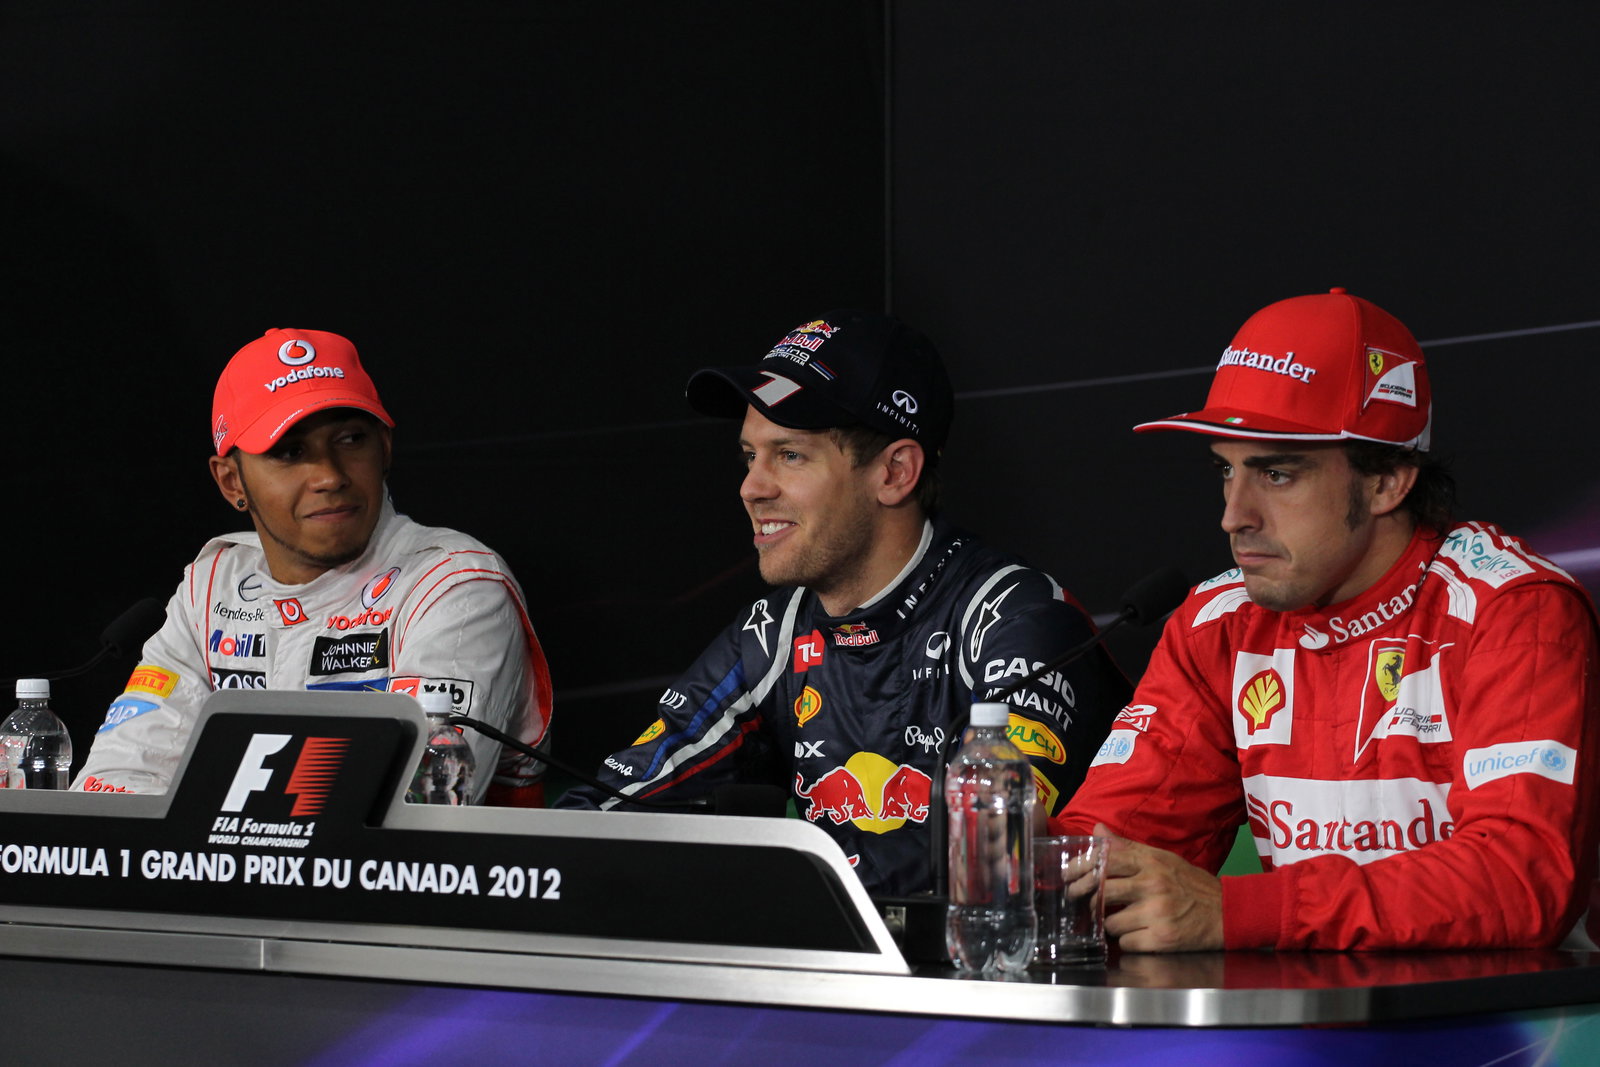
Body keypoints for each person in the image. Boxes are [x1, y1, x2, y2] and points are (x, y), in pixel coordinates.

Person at [1054, 289, 1600, 951]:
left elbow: (1520, 877)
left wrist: (1243, 911)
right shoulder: (1217, 625)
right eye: (1225, 472)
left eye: (1276, 473)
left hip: (1509, 1040)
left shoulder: (1512, 612)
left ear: (1387, 481)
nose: (1234, 515)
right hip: (1312, 1036)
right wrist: (1026, 857)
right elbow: (1113, 845)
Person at [557, 310, 1130, 897]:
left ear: (895, 472)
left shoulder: (1015, 618)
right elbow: (627, 795)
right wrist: (532, 856)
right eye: (749, 456)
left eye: (789, 454)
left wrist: (776, 884)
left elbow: (995, 840)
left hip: (1014, 978)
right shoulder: (775, 634)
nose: (751, 487)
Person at [74, 328, 553, 805]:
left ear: (384, 447)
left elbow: (414, 806)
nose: (329, 475)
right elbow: (121, 781)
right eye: (290, 452)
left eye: (350, 438)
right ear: (230, 481)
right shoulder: (212, 587)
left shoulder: (456, 585)